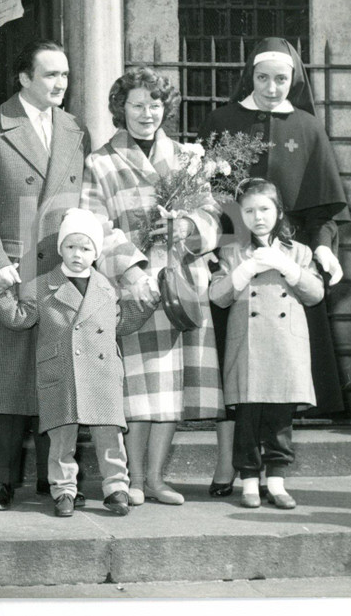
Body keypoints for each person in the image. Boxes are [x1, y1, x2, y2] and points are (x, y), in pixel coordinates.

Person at [0, 40, 102, 511]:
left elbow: (84, 207)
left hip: (61, 270)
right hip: (8, 268)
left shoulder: (77, 129)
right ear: (23, 78)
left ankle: (52, 480)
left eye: (65, 75)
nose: (60, 84)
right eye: (50, 75)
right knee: (3, 378)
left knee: (56, 372)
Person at [198, 37, 350, 496]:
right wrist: (206, 246)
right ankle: (230, 467)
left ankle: (274, 473)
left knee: (280, 376)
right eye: (262, 78)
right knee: (233, 369)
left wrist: (323, 247)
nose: (271, 87)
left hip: (287, 262)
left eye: (281, 79)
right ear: (250, 77)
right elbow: (204, 196)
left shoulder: (306, 125)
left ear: (294, 80)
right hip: (231, 261)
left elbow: (322, 207)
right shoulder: (223, 121)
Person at [81, 67, 223, 506]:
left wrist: (189, 228)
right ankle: (135, 479)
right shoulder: (100, 162)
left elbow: (214, 217)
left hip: (182, 284)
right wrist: (133, 271)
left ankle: (157, 479)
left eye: (155, 105)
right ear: (121, 109)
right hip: (135, 287)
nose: (147, 113)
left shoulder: (188, 157)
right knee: (138, 388)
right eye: (138, 105)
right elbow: (96, 226)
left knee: (170, 389)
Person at [0, 208, 141, 517]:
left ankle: (116, 488)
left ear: (96, 252)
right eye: (70, 246)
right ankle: (63, 491)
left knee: (109, 434)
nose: (77, 254)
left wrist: (147, 303)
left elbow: (120, 324)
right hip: (62, 371)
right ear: (60, 248)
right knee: (62, 437)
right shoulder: (42, 285)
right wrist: (1, 294)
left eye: (86, 248)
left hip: (101, 372)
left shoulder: (108, 288)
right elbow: (20, 318)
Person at [209, 179, 324, 509]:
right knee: (247, 419)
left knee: (279, 419)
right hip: (247, 346)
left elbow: (315, 294)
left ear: (278, 212)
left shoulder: (299, 251)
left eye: (264, 209)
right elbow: (217, 297)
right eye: (249, 211)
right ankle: (248, 482)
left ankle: (276, 481)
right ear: (239, 214)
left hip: (285, 347)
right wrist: (245, 270)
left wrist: (287, 267)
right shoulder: (231, 251)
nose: (258, 217)